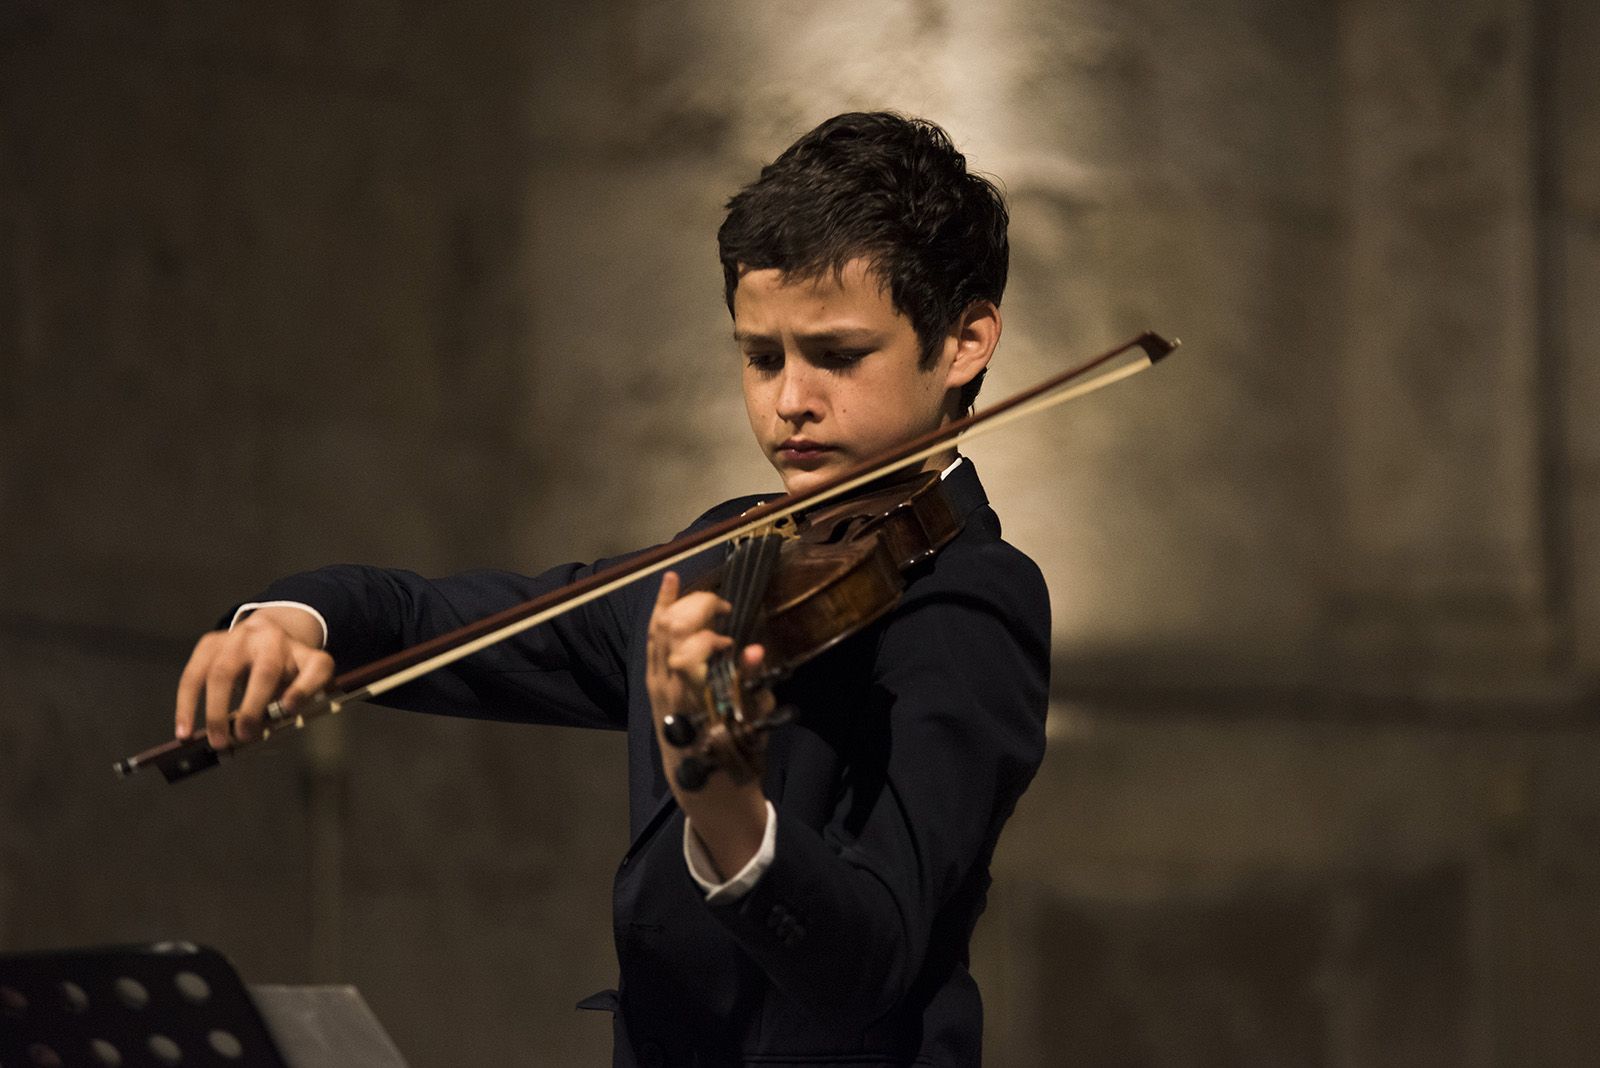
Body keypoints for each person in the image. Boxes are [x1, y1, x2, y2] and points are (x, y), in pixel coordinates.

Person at [174, 112, 1049, 1066]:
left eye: (837, 355)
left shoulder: (970, 600)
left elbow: (872, 958)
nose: (790, 399)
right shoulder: (726, 552)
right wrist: (300, 624)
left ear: (964, 341)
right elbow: (447, 619)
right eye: (761, 357)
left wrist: (725, 808)